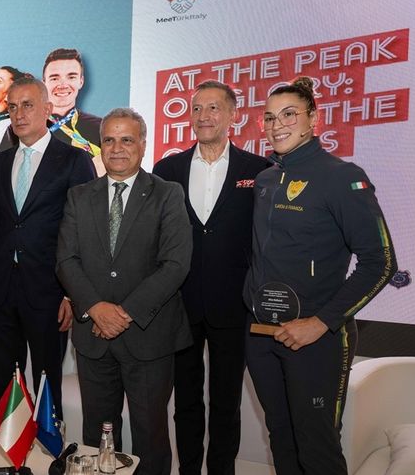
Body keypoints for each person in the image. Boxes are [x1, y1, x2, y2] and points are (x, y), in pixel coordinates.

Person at [243, 77, 397, 475]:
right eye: (269, 117)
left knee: (317, 445)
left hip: (316, 339)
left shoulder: (342, 177)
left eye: (289, 114)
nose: (277, 125)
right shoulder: (265, 180)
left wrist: (320, 323)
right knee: (281, 437)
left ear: (314, 118)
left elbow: (381, 262)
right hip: (262, 335)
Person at [56, 107, 193, 475]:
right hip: (93, 337)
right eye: (109, 140)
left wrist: (124, 313)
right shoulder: (78, 196)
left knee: (150, 435)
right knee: (97, 435)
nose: (117, 148)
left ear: (143, 145)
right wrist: (96, 308)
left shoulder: (167, 194)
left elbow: (176, 264)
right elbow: (66, 260)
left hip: (149, 337)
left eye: (127, 140)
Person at [152, 80, 268, 475]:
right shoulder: (167, 170)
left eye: (214, 108)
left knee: (226, 402)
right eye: (197, 108)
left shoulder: (260, 171)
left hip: (235, 306)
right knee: (185, 401)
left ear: (233, 115)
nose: (204, 116)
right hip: (180, 305)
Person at [0, 77, 95, 416]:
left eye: (27, 105)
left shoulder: (74, 160)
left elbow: (85, 232)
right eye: (12, 107)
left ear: (47, 109)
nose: (19, 114)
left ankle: (47, 441)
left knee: (47, 379)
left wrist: (72, 294)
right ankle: (8, 441)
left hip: (51, 290)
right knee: (4, 379)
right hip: (1, 288)